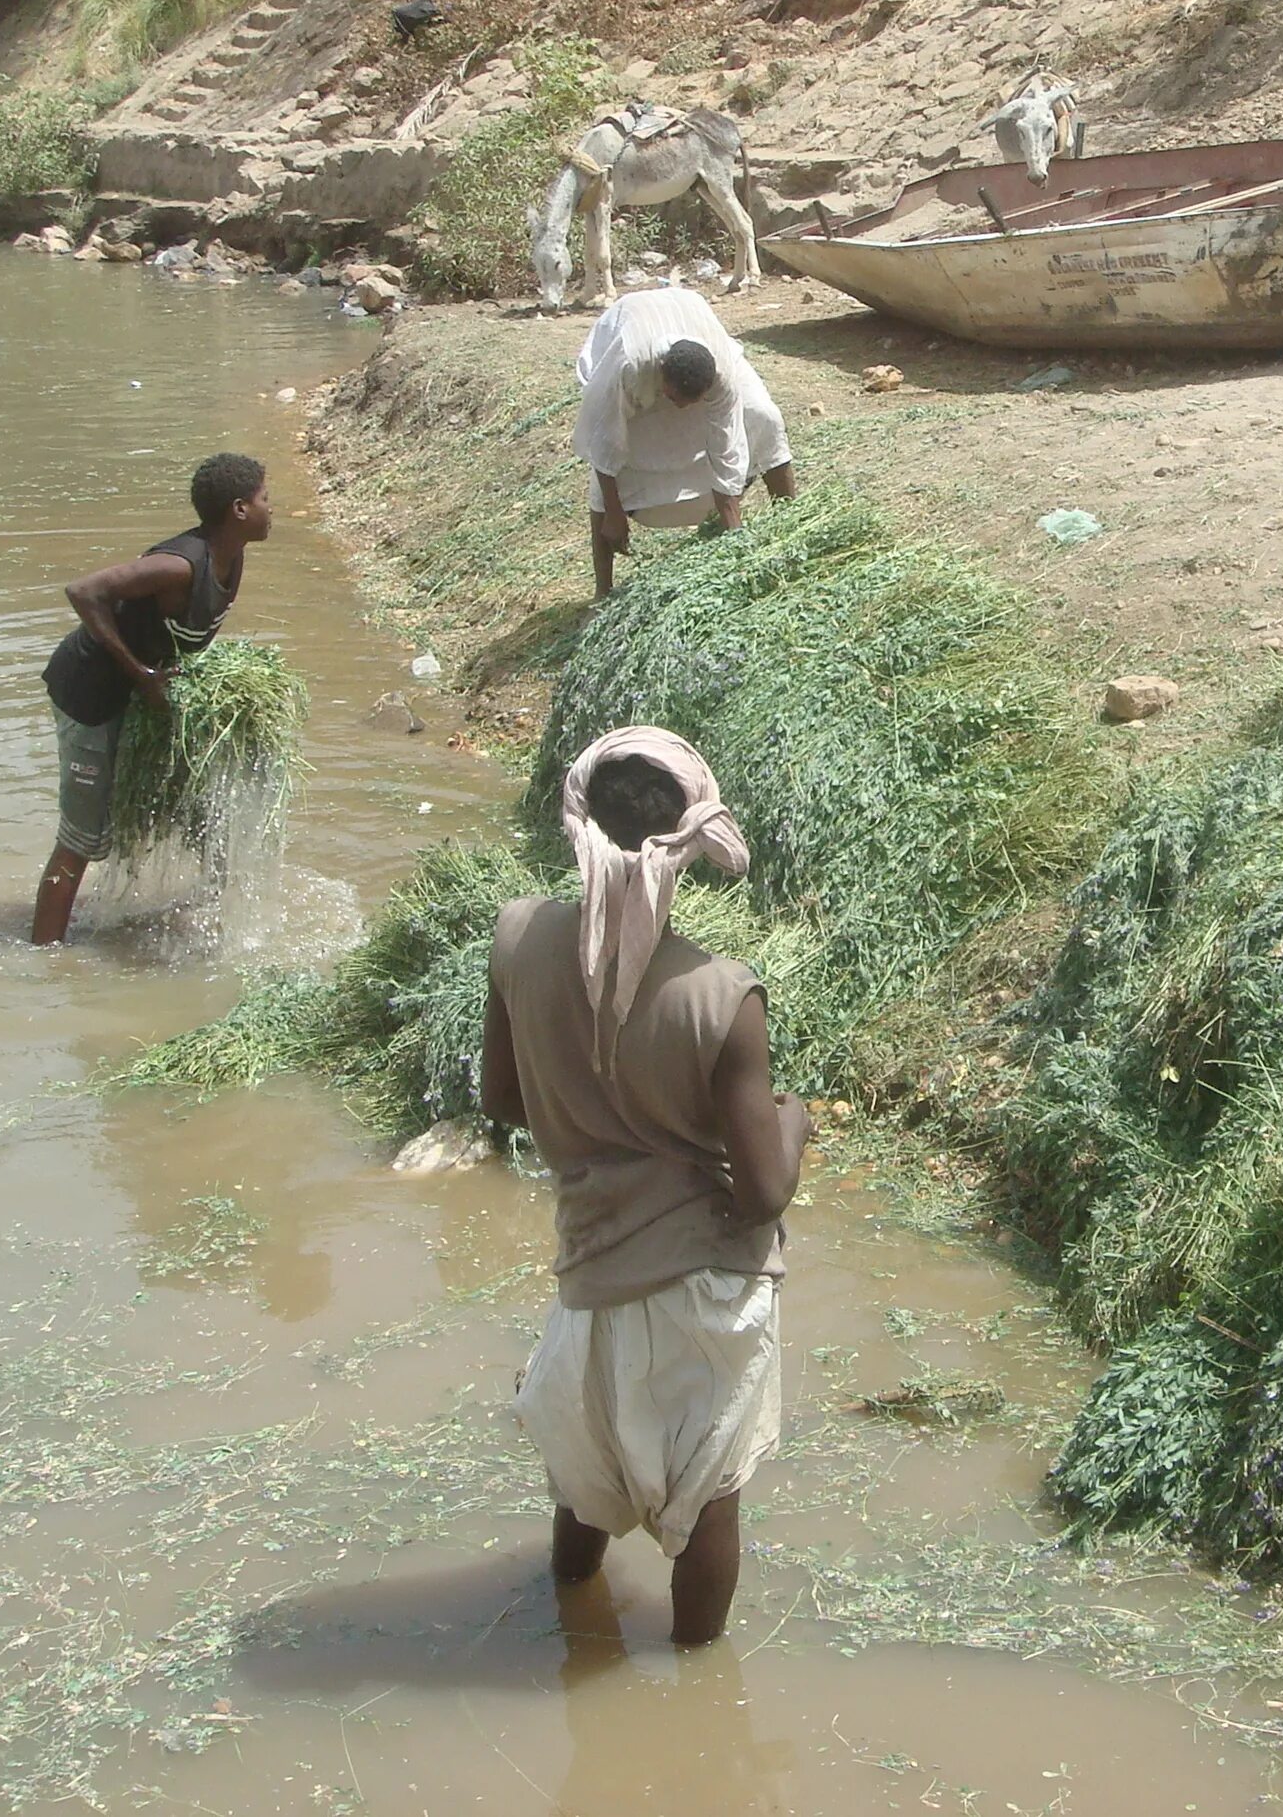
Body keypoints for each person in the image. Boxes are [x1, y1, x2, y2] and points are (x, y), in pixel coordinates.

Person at [480, 726, 809, 1644]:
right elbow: (763, 1195)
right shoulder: (721, 994)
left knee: (585, 1471)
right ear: (693, 843)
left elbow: (501, 1098)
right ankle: (700, 1687)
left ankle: (574, 1620)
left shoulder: (517, 939)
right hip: (705, 1285)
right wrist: (796, 1116)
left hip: (590, 1262)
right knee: (709, 1493)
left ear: (574, 821)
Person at [31, 452, 271, 945]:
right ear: (239, 510)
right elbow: (83, 591)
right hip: (90, 695)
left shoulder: (232, 556)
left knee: (197, 809)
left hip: (143, 692)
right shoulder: (179, 566)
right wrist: (140, 674)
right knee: (81, 837)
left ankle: (213, 928)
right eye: (266, 498)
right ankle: (43, 958)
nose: (274, 508)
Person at [571, 286, 797, 598]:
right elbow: (603, 437)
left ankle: (792, 525)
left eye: (693, 402)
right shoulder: (630, 366)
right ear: (662, 374)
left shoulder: (721, 373)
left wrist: (736, 538)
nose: (682, 410)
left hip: (692, 320)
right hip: (631, 330)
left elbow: (727, 443)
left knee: (765, 416)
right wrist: (614, 511)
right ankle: (602, 591)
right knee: (605, 477)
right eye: (676, 399)